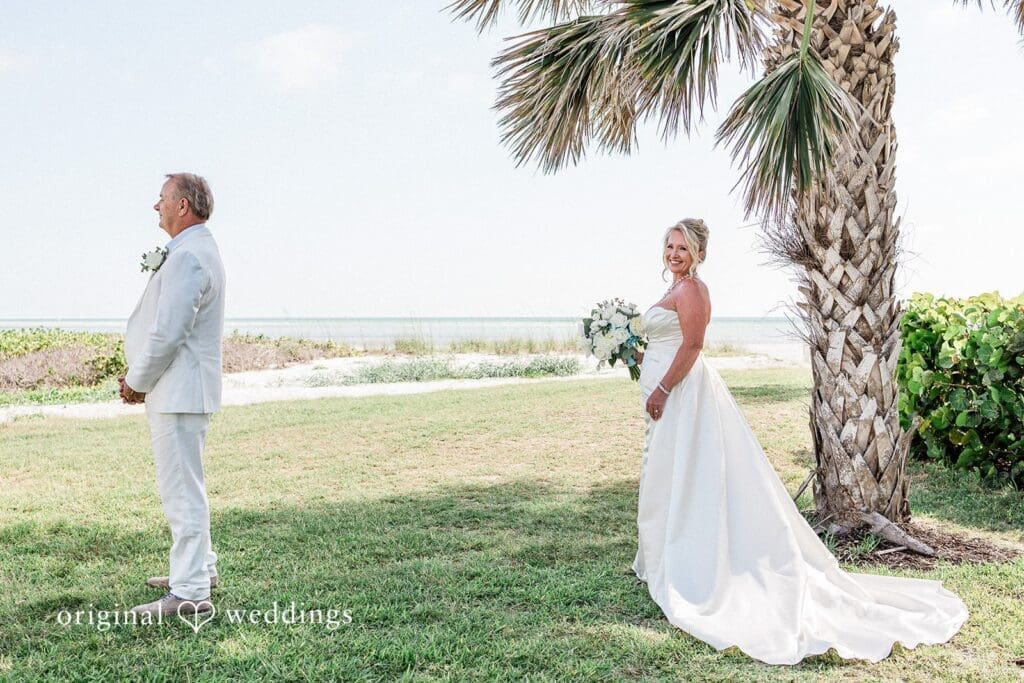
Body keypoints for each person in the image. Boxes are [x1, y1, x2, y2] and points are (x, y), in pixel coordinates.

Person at [631, 218, 968, 665]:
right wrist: (622, 346)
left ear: (699, 254)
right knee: (669, 472)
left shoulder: (693, 290)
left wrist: (662, 389)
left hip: (684, 396)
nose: (674, 253)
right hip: (669, 401)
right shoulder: (672, 290)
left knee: (691, 473)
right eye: (670, 245)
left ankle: (693, 561)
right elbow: (661, 343)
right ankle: (661, 556)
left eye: (683, 248)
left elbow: (692, 346)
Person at [122, 173, 225, 617]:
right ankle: (199, 568)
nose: (155, 206)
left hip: (178, 392)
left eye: (162, 199)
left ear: (182, 206)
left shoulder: (189, 257)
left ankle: (189, 593)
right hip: (182, 391)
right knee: (187, 487)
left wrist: (136, 380)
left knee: (181, 492)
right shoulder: (195, 249)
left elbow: (169, 332)